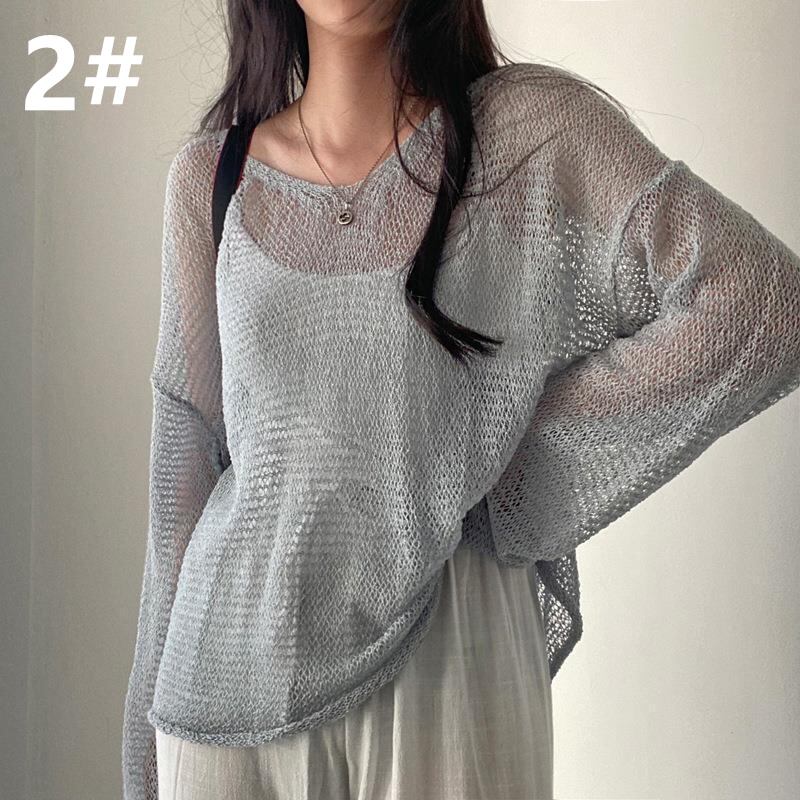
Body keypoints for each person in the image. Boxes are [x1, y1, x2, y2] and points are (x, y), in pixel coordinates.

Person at [122, 1, 800, 799]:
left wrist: (507, 474)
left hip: (450, 646)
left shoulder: (527, 133)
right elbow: (183, 475)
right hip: (221, 675)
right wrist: (141, 763)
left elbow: (763, 305)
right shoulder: (211, 178)